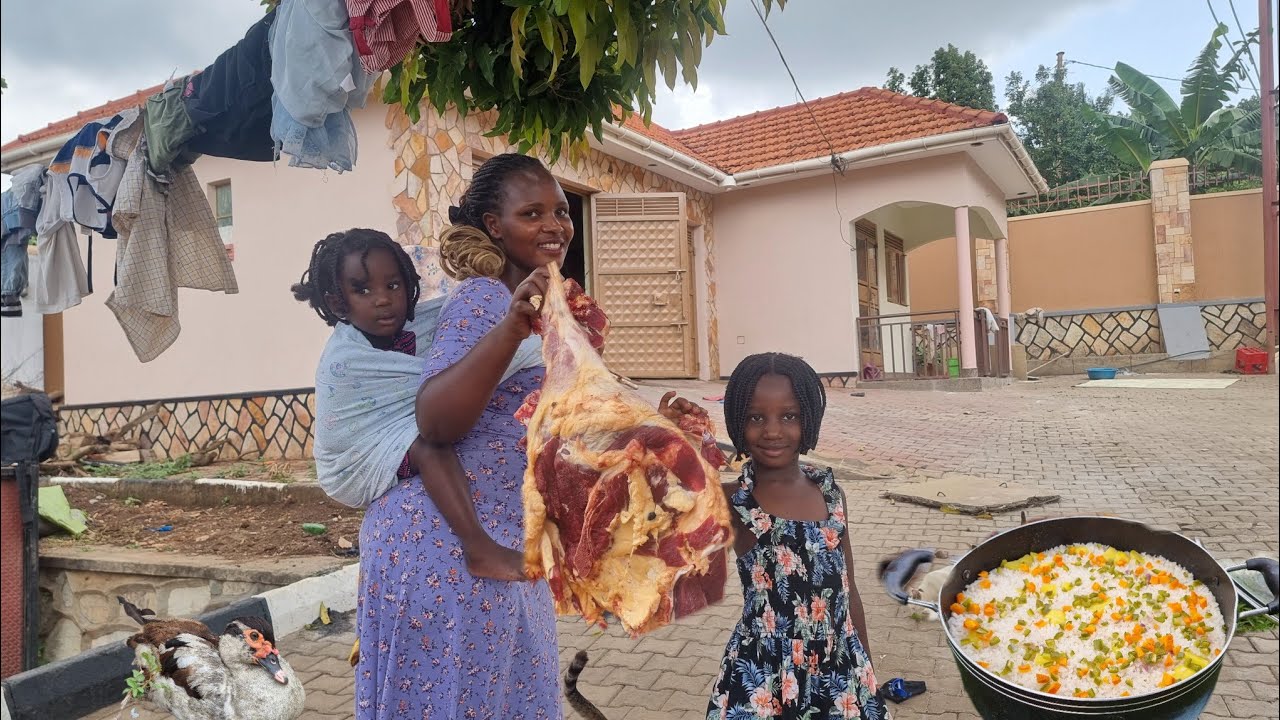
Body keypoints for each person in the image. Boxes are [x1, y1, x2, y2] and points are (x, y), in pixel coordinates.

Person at [291, 228, 524, 581]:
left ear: (410, 286)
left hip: (400, 433)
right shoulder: (345, 359)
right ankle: (479, 547)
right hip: (355, 460)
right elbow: (443, 388)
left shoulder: (425, 325)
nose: (382, 299)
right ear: (339, 302)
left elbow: (462, 355)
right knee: (430, 447)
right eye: (363, 290)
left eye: (393, 286)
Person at [707, 352, 888, 720]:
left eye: (788, 416)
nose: (772, 430)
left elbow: (847, 588)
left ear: (808, 420)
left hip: (838, 673)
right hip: (762, 677)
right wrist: (666, 438)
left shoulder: (832, 495)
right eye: (756, 417)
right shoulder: (730, 501)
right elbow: (662, 513)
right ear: (737, 422)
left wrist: (866, 669)